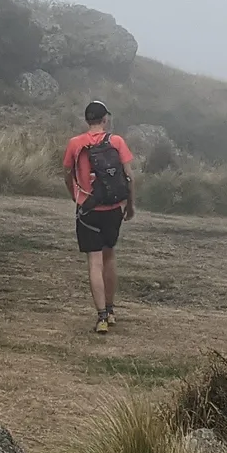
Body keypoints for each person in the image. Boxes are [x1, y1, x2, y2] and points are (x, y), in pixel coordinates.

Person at [62, 99, 135, 335]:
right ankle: (112, 310)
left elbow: (66, 174)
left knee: (94, 262)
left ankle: (101, 316)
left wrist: (75, 196)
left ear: (87, 120)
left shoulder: (75, 144)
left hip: (87, 209)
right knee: (109, 257)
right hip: (113, 208)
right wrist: (130, 205)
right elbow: (129, 176)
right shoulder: (116, 141)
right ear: (105, 119)